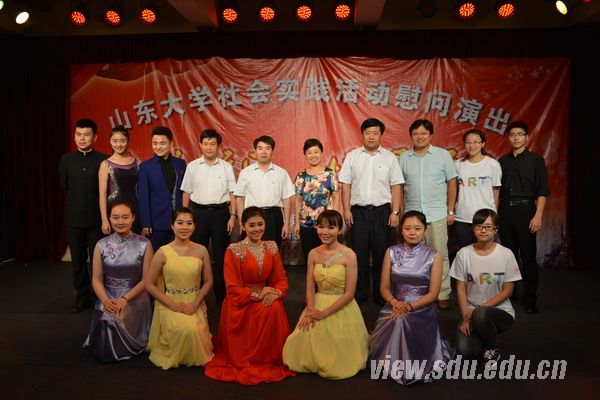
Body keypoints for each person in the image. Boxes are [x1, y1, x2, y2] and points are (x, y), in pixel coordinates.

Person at [204, 207, 295, 385]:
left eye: (260, 224)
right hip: (240, 302)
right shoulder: (234, 250)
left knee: (275, 306)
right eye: (252, 225)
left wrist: (275, 293)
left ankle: (269, 357)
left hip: (264, 296)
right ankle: (252, 356)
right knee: (268, 307)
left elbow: (281, 279)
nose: (257, 229)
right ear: (243, 226)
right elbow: (232, 288)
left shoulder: (271, 247)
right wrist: (259, 294)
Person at [369, 211, 454, 385]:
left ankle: (408, 367)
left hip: (422, 306)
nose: (412, 232)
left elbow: (433, 294)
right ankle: (393, 364)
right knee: (397, 318)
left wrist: (409, 307)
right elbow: (384, 287)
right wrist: (394, 302)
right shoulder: (391, 252)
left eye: (417, 228)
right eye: (407, 228)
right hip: (395, 304)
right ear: (401, 230)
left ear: (424, 231)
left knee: (401, 320)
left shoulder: (433, 255)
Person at [283, 210, 368, 379]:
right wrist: (310, 311)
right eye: (321, 227)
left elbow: (350, 293)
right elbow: (309, 287)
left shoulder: (349, 255)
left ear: (340, 230)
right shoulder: (313, 253)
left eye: (331, 227)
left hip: (341, 305)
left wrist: (324, 313)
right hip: (317, 302)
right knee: (298, 344)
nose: (325, 232)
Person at [338, 118, 404, 305]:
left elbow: (396, 186)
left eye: (375, 133)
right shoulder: (352, 156)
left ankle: (381, 294)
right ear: (362, 135)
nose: (371, 136)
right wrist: (346, 210)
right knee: (358, 254)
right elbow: (345, 185)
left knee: (381, 254)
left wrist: (395, 212)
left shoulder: (389, 158)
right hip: (358, 212)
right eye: (368, 133)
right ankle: (360, 293)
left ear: (381, 135)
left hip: (382, 213)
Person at [82, 200, 153, 362]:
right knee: (106, 317)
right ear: (109, 218)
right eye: (115, 217)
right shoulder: (101, 245)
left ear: (133, 218)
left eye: (125, 217)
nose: (120, 222)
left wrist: (125, 299)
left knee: (117, 319)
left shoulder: (144, 244)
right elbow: (96, 280)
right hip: (108, 294)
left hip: (135, 295)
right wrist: (106, 301)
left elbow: (147, 280)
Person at [398, 119, 457, 310]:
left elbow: (452, 183)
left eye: (424, 133)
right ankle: (418, 293)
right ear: (411, 136)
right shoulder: (404, 157)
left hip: (436, 214)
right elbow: (399, 186)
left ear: (431, 135)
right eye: (416, 133)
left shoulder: (443, 155)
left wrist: (450, 211)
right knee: (414, 257)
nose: (420, 136)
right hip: (412, 216)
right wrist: (400, 212)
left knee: (439, 255)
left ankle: (442, 293)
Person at [145, 207, 214, 369]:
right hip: (170, 302)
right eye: (180, 223)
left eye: (189, 223)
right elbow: (148, 283)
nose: (184, 227)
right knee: (184, 330)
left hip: (194, 301)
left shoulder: (201, 250)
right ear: (172, 225)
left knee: (193, 331)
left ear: (194, 226)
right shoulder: (162, 252)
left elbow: (209, 281)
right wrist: (172, 305)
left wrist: (195, 304)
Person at [450, 209, 521, 363]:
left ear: (496, 229)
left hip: (500, 311)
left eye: (488, 227)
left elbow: (508, 290)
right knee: (465, 352)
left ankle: (492, 347)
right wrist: (465, 317)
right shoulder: (463, 254)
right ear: (473, 229)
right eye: (479, 226)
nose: (483, 230)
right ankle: (482, 334)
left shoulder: (506, 254)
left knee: (481, 314)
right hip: (469, 311)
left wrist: (478, 310)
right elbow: (460, 288)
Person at [498, 121, 549, 314]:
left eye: (520, 134)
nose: (516, 138)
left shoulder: (536, 160)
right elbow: (497, 190)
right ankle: (510, 293)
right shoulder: (502, 161)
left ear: (527, 137)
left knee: (528, 256)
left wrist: (538, 216)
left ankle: (530, 297)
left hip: (526, 210)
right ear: (508, 138)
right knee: (508, 256)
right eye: (512, 134)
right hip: (505, 210)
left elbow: (542, 191)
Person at [181, 129, 236, 304]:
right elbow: (186, 192)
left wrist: (233, 216)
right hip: (198, 213)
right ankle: (195, 295)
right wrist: (185, 217)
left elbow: (232, 193)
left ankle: (222, 298)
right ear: (200, 145)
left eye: (212, 144)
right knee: (195, 255)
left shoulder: (226, 167)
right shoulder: (192, 166)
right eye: (205, 144)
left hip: (221, 214)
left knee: (221, 257)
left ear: (219, 146)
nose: (209, 147)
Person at [59, 118, 109, 313]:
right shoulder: (66, 160)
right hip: (73, 219)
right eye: (78, 134)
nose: (82, 138)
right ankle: (82, 297)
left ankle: (100, 296)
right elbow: (65, 186)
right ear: (74, 136)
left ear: (95, 137)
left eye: (86, 135)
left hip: (97, 219)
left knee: (99, 261)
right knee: (78, 261)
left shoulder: (104, 160)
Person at [234, 135, 295, 248]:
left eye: (267, 148)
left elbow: (286, 199)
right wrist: (242, 221)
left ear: (272, 151)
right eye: (260, 148)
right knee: (251, 251)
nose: (263, 152)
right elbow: (239, 198)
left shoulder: (281, 173)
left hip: (274, 217)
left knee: (273, 250)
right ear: (255, 151)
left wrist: (286, 223)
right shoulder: (246, 173)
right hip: (252, 217)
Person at [293, 138, 341, 265]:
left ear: (321, 153)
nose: (313, 155)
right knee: (310, 259)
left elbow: (336, 198)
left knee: (328, 260)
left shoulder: (330, 174)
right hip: (306, 224)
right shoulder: (301, 177)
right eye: (309, 152)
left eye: (316, 152)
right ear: (305, 155)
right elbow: (298, 201)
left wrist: (335, 221)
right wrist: (296, 223)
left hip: (327, 225)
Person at [138, 126, 186, 251]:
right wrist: (146, 222)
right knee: (156, 257)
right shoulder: (145, 167)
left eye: (162, 143)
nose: (158, 147)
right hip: (156, 222)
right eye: (155, 143)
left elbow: (184, 192)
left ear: (171, 143)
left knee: (176, 257)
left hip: (177, 221)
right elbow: (143, 196)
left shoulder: (180, 164)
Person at [453, 129, 501, 247]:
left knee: (485, 251)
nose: (471, 145)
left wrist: (494, 216)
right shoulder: (458, 164)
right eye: (468, 142)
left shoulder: (492, 164)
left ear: (482, 144)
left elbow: (496, 191)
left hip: (485, 218)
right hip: (462, 217)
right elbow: (453, 189)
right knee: (465, 251)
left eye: (475, 142)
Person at [98, 125, 140, 235]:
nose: (119, 144)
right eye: (115, 141)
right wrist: (104, 219)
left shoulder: (137, 162)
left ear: (128, 141)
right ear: (110, 142)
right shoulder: (105, 164)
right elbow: (102, 194)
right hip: (114, 210)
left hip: (134, 209)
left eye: (122, 141)